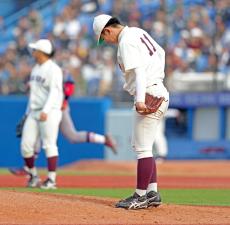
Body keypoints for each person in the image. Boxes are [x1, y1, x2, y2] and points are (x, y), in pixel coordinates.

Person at [93, 14, 169, 209]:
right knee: (144, 146)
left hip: (149, 91)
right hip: (158, 89)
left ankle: (140, 196)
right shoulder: (137, 31)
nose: (105, 42)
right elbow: (160, 52)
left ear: (107, 30)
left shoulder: (125, 41)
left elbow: (139, 72)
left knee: (142, 148)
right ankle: (152, 192)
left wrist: (141, 99)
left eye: (103, 37)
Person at [10, 73, 117, 178]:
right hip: (46, 112)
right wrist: (26, 118)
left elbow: (69, 82)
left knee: (72, 136)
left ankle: (104, 140)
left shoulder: (48, 74)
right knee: (40, 136)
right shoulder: (36, 91)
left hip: (58, 109)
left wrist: (65, 100)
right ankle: (29, 169)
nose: (28, 91)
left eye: (28, 87)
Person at [20, 39, 63, 189]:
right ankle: (33, 176)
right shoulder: (36, 68)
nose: (33, 52)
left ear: (42, 52)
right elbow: (33, 94)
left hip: (50, 111)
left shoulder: (54, 69)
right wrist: (27, 114)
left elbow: (55, 92)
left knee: (49, 144)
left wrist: (46, 110)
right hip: (34, 111)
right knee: (26, 145)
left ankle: (51, 180)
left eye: (35, 50)